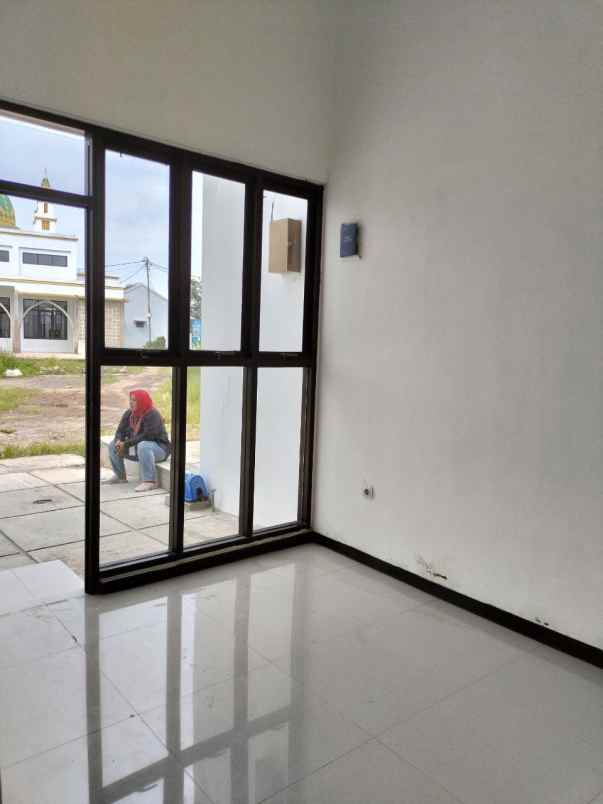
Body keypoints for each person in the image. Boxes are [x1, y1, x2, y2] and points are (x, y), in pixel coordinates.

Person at [107, 389, 171, 492]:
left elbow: (147, 436)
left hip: (159, 450)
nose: (130, 402)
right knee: (113, 445)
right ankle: (120, 476)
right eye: (130, 399)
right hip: (136, 448)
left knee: (143, 445)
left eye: (134, 400)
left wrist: (125, 444)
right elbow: (120, 430)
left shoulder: (152, 414)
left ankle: (149, 482)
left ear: (142, 401)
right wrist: (119, 441)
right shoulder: (129, 413)